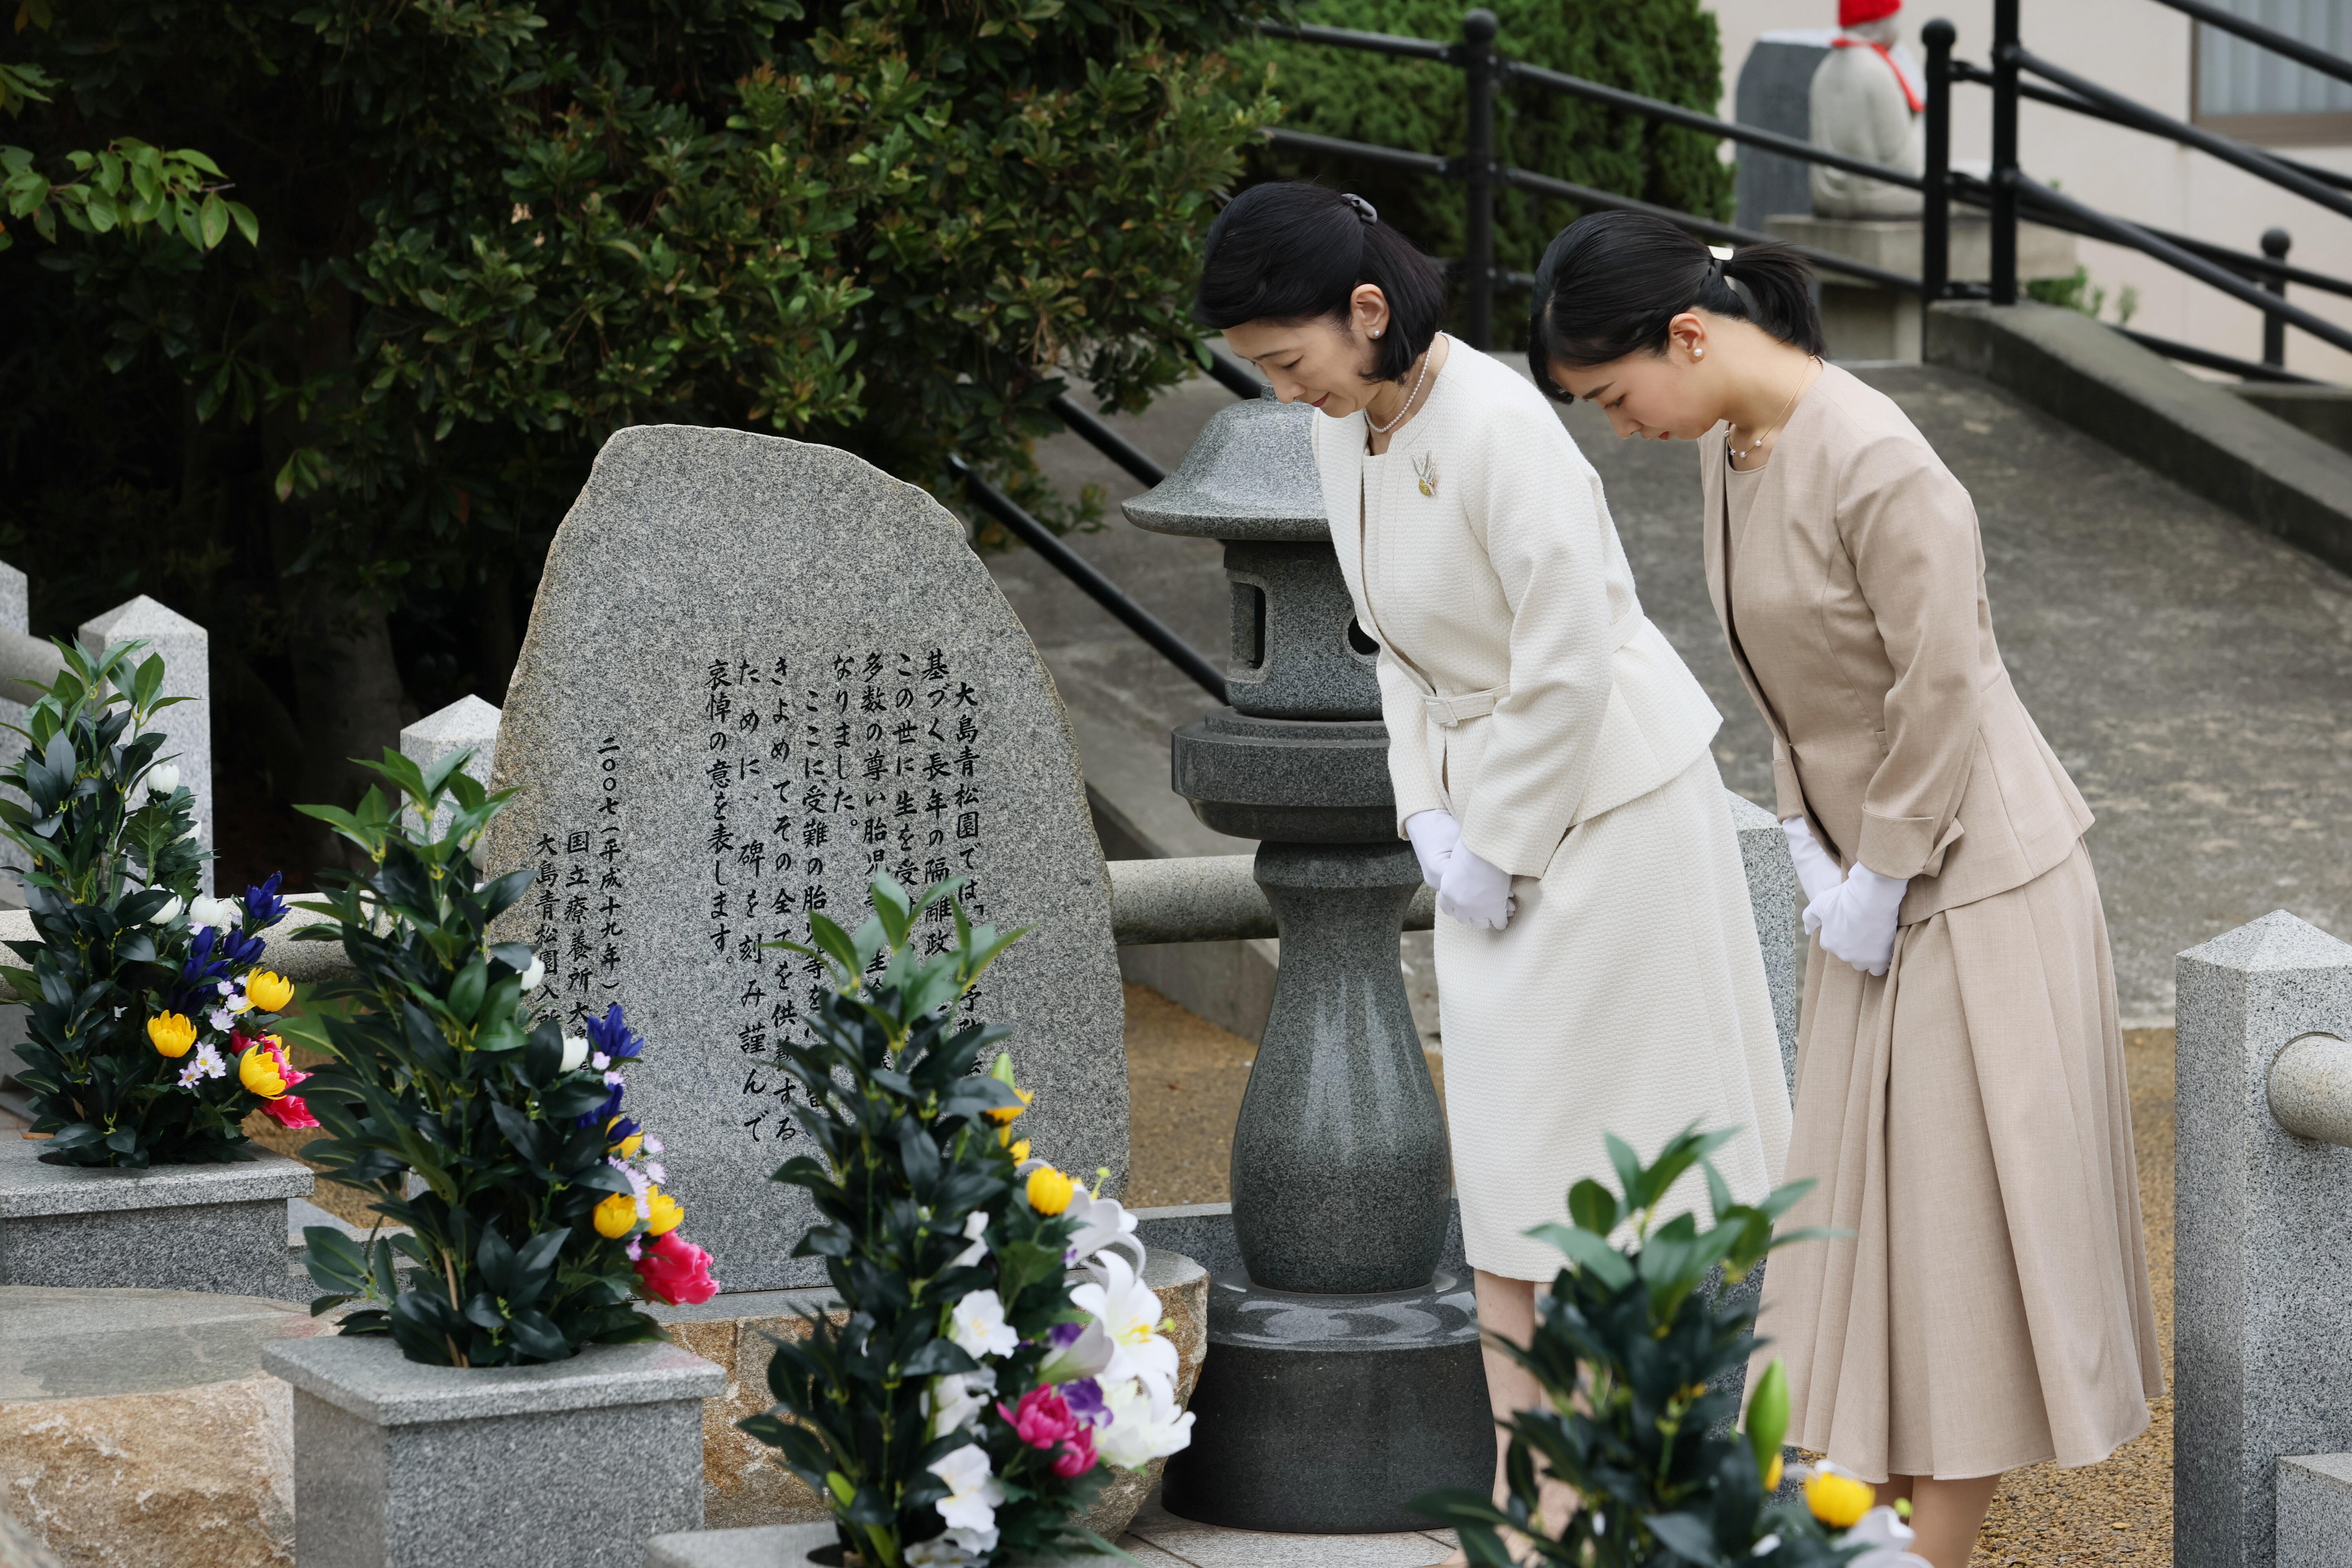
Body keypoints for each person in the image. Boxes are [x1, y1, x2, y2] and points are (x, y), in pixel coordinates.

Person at [1526, 211, 2162, 1568]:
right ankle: (1860, 1533)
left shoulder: (1882, 461)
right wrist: (1811, 847)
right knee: (1867, 1231)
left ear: (1687, 336)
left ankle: (1921, 1553)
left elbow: (1947, 683)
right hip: (1866, 877)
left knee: (1957, 1237)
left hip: (1977, 880)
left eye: (1615, 395)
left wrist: (1875, 868)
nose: (1620, 427)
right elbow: (1788, 683)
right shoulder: (1733, 446)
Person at [1193, 182, 1794, 1546]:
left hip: (1615, 816)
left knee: (1632, 1189)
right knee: (1514, 1196)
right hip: (1487, 827)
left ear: (1365, 312)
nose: (1287, 395)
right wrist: (1428, 824)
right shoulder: (1352, 428)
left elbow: (1571, 651)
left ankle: (1639, 1500)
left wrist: (1499, 841)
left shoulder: (1503, 426)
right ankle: (1541, 1508)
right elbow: (1394, 656)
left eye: (1290, 364)